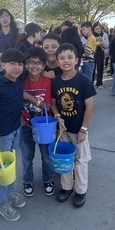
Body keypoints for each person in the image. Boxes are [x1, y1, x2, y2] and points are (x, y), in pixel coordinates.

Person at [0, 48, 41, 221]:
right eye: (12, 63)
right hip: (3, 135)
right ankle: (1, 202)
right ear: (3, 64)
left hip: (17, 130)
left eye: (20, 64)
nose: (17, 67)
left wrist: (31, 98)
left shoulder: (18, 79)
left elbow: (19, 93)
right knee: (2, 170)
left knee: (11, 167)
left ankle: (10, 194)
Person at [50, 43, 96, 206]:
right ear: (57, 61)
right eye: (61, 58)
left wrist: (83, 129)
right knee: (65, 160)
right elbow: (54, 104)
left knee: (81, 160)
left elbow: (89, 106)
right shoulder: (55, 82)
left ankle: (81, 190)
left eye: (70, 57)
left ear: (77, 59)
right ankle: (66, 187)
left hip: (79, 129)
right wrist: (58, 117)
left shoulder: (83, 81)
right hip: (63, 130)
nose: (66, 61)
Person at [18, 47, 54, 197]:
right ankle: (27, 180)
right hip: (26, 126)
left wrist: (29, 97)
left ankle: (48, 179)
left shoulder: (47, 82)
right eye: (31, 62)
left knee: (46, 156)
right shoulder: (20, 81)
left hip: (44, 127)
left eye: (39, 63)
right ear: (25, 64)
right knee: (26, 157)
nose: (35, 66)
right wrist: (21, 121)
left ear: (44, 65)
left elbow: (48, 107)